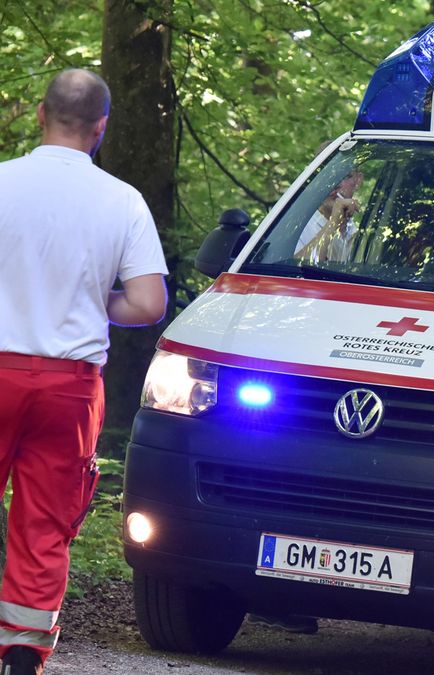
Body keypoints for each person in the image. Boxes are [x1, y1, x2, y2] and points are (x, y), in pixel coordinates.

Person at [0, 69, 168, 675]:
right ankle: (22, 654)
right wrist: (93, 300)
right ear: (101, 128)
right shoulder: (122, 201)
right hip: (69, 387)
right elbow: (147, 305)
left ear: (41, 113)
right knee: (46, 521)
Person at [293, 167, 364, 263]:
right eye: (327, 176)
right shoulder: (298, 227)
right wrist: (333, 222)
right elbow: (295, 270)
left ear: (358, 180)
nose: (335, 184)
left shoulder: (358, 234)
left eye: (344, 176)